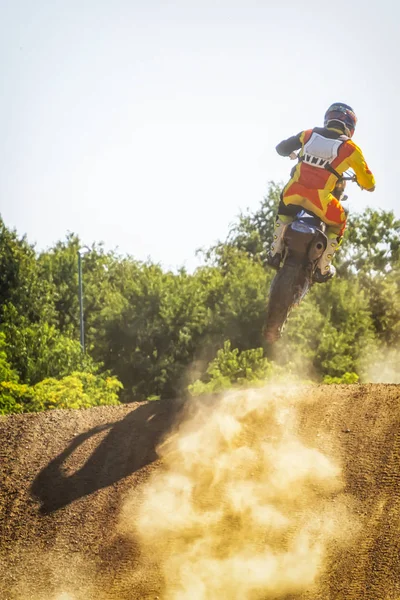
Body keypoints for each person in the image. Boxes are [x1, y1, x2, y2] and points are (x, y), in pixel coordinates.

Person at [267, 103, 376, 282]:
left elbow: (281, 148)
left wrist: (293, 152)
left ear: (328, 119)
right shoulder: (351, 149)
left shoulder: (308, 134)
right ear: (350, 126)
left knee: (284, 210)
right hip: (320, 201)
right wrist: (367, 185)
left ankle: (274, 251)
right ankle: (322, 267)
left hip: (292, 193)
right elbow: (369, 182)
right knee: (340, 221)